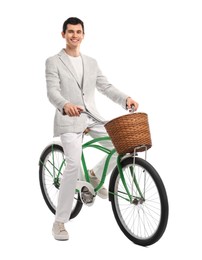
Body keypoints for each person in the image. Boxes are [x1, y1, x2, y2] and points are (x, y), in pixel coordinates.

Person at [45, 17, 138, 241]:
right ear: (63, 35)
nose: (74, 35)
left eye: (78, 32)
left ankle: (94, 177)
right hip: (69, 120)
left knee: (125, 144)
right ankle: (59, 222)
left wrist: (125, 99)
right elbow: (52, 91)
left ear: (83, 35)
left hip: (92, 118)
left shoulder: (91, 62)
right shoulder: (53, 61)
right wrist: (65, 105)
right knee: (73, 164)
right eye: (70, 32)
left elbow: (105, 87)